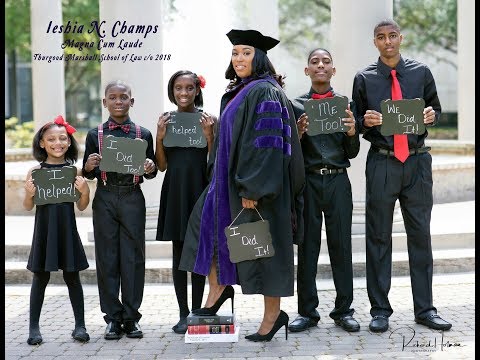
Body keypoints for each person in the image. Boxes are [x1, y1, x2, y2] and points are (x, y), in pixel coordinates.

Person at [179, 29, 305, 342]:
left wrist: (253, 188)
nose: (239, 59)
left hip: (257, 191)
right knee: (204, 231)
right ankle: (218, 291)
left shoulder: (265, 92)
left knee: (265, 251)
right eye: (235, 53)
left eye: (246, 53)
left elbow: (267, 145)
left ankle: (273, 317)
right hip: (226, 187)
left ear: (259, 57)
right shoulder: (241, 90)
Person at [351, 19, 452, 333]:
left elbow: (434, 108)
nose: (387, 42)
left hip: (417, 163)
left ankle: (425, 309)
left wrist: (432, 115)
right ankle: (380, 310)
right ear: (375, 42)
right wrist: (365, 121)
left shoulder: (421, 73)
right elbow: (354, 121)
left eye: (392, 36)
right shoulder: (364, 78)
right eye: (381, 37)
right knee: (378, 236)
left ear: (401, 38)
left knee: (420, 235)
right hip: (382, 162)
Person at [288, 48, 360, 333]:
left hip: (338, 181)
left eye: (326, 62)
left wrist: (352, 132)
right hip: (309, 181)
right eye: (314, 62)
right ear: (307, 71)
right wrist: (299, 132)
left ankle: (344, 310)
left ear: (333, 70)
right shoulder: (297, 106)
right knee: (308, 247)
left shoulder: (344, 104)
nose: (320, 65)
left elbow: (352, 153)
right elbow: (290, 152)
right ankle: (307, 312)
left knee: (341, 245)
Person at [82, 80, 158, 340]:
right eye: (112, 98)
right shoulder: (95, 135)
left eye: (123, 97)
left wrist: (149, 166)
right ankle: (113, 318)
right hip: (104, 196)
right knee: (107, 257)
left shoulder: (143, 134)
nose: (118, 102)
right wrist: (90, 165)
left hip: (132, 196)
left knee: (134, 257)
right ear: (104, 103)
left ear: (131, 101)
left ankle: (131, 317)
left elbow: (151, 171)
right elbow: (87, 172)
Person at [155, 70, 216, 334]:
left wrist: (210, 136)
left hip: (199, 190)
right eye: (178, 88)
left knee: (198, 252)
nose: (183, 93)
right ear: (172, 91)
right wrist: (158, 136)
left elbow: (214, 162)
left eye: (189, 88)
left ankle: (196, 312)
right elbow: (161, 165)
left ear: (197, 90)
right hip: (175, 191)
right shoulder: (167, 120)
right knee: (179, 253)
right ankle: (182, 313)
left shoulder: (208, 119)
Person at [23, 115, 91, 345]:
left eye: (63, 138)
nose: (57, 143)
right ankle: (33, 328)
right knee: (40, 278)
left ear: (69, 142)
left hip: (67, 230)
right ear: (42, 143)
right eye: (51, 139)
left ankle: (80, 326)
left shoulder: (74, 172)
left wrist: (85, 192)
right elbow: (27, 206)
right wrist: (29, 194)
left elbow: (81, 206)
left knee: (73, 277)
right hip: (44, 231)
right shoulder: (35, 172)